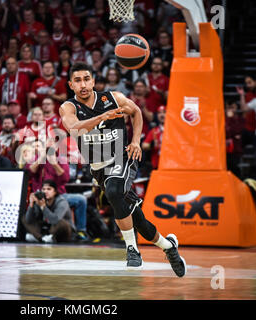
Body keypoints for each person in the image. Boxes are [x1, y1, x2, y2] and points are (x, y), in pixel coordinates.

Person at [59, 62, 186, 277]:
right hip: (98, 167)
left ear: (93, 81)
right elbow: (73, 128)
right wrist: (101, 118)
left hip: (123, 156)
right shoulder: (68, 107)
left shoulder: (113, 98)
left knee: (114, 192)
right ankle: (168, 246)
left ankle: (132, 250)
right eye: (78, 80)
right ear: (71, 84)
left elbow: (136, 112)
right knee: (140, 221)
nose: (83, 84)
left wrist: (136, 141)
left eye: (87, 79)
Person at [23, 179, 76, 243]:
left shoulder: (62, 202)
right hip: (47, 229)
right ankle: (41, 238)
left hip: (64, 232)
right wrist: (31, 205)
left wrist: (43, 207)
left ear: (55, 192)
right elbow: (29, 220)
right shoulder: (40, 200)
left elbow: (55, 220)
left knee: (61, 223)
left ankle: (41, 237)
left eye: (49, 189)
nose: (45, 191)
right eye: (43, 189)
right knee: (24, 218)